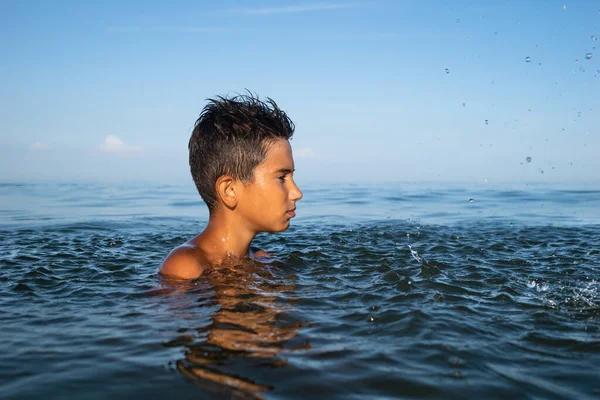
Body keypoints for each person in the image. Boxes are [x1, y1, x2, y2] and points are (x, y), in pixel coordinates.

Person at [159, 93, 303, 280]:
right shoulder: (185, 265)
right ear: (230, 190)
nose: (297, 193)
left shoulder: (264, 260)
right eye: (282, 177)